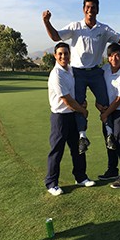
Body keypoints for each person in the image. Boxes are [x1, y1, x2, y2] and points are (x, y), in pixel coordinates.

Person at [42, 0, 120, 154]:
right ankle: (82, 137)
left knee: (104, 103)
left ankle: (109, 135)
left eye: (93, 7)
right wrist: (46, 22)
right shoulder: (75, 26)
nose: (90, 10)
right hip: (78, 72)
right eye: (87, 7)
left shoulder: (104, 29)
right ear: (83, 9)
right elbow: (55, 37)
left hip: (95, 72)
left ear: (97, 9)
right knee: (79, 105)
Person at [45, 42, 95, 196]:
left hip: (72, 115)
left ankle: (80, 177)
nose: (63, 56)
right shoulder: (56, 74)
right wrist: (83, 110)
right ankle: (51, 183)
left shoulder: (71, 70)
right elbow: (66, 99)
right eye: (60, 54)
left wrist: (82, 103)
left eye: (66, 53)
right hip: (60, 117)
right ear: (55, 55)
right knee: (57, 151)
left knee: (78, 149)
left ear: (69, 55)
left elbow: (76, 93)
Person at [97, 43, 120, 188]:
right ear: (108, 57)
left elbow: (119, 100)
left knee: (119, 143)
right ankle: (112, 170)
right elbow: (97, 85)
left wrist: (105, 114)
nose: (114, 58)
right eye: (111, 55)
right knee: (109, 142)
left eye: (117, 55)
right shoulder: (104, 69)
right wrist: (97, 103)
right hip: (106, 110)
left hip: (119, 114)